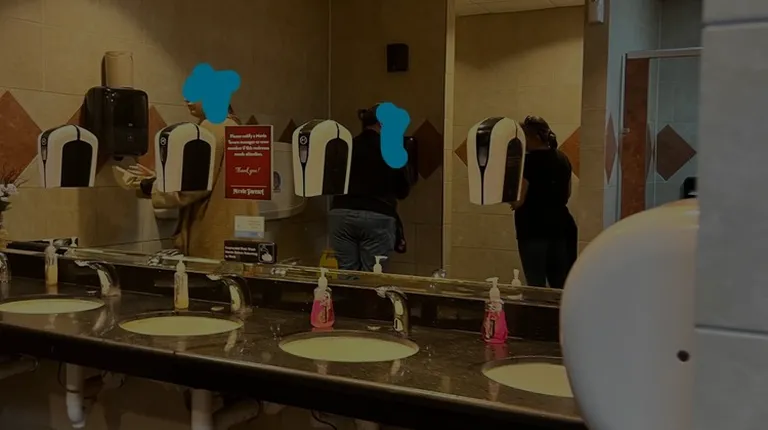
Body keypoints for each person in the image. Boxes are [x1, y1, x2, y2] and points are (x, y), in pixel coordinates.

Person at [117, 103, 251, 260]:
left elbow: (194, 186)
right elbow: (215, 178)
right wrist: (159, 179)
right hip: (238, 232)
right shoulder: (235, 127)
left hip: (214, 230)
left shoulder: (213, 127)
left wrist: (150, 186)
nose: (187, 99)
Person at [328, 105, 411, 271]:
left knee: (346, 273)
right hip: (377, 216)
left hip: (341, 214)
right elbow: (402, 191)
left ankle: (348, 288)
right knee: (374, 274)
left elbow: (332, 181)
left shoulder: (346, 147)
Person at [511, 116, 578, 289]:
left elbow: (518, 201)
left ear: (534, 137)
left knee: (536, 286)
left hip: (533, 230)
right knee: (560, 285)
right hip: (562, 228)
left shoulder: (526, 163)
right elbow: (567, 194)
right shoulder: (563, 158)